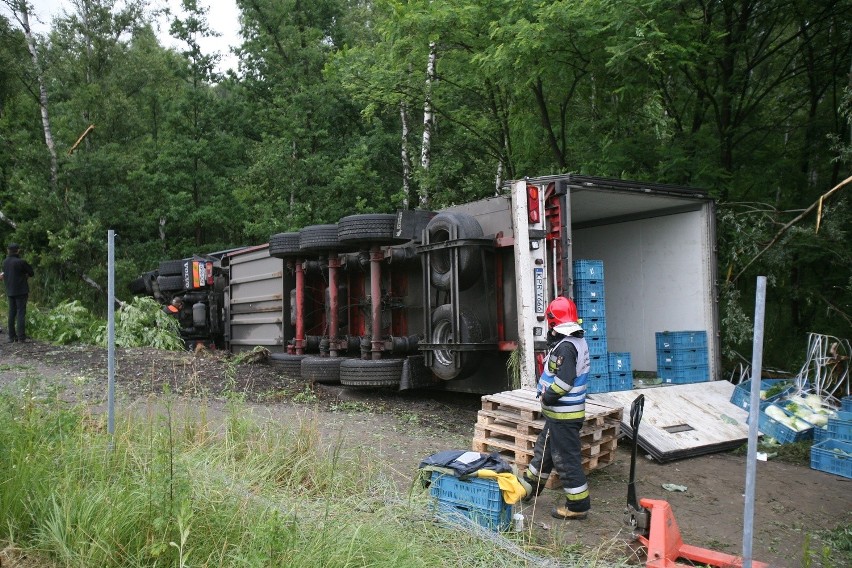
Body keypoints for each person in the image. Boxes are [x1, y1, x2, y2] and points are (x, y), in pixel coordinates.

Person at [522, 296, 591, 520]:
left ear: (553, 322)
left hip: (564, 415)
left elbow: (565, 381)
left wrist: (548, 397)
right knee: (544, 453)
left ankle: (577, 506)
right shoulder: (573, 342)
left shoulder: (567, 348)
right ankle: (529, 488)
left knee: (565, 460)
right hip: (558, 417)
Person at [1, 243, 35, 343]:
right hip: (21, 290)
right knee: (21, 313)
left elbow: (4, 274)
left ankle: (11, 336)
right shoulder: (21, 262)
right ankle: (21, 337)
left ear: (8, 250)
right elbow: (31, 273)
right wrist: (25, 275)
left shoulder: (5, 262)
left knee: (11, 313)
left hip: (10, 290)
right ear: (18, 250)